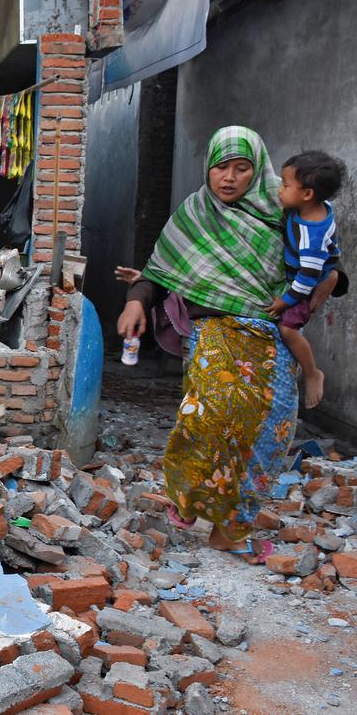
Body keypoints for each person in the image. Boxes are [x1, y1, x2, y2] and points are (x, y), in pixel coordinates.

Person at [117, 126, 346, 563]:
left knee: (271, 434)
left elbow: (326, 263)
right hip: (215, 328)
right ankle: (188, 501)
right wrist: (135, 303)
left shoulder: (287, 213)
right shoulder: (194, 214)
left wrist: (326, 287)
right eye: (221, 166)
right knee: (208, 415)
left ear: (258, 171)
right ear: (209, 167)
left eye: (242, 168)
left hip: (271, 333)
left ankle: (231, 528)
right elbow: (160, 268)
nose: (229, 177)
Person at [264, 151, 345, 409]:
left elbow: (307, 279)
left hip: (306, 283)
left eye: (285, 185)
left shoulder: (310, 236)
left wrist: (285, 302)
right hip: (313, 270)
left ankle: (312, 372)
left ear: (307, 194)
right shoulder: (313, 208)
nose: (279, 190)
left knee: (287, 329)